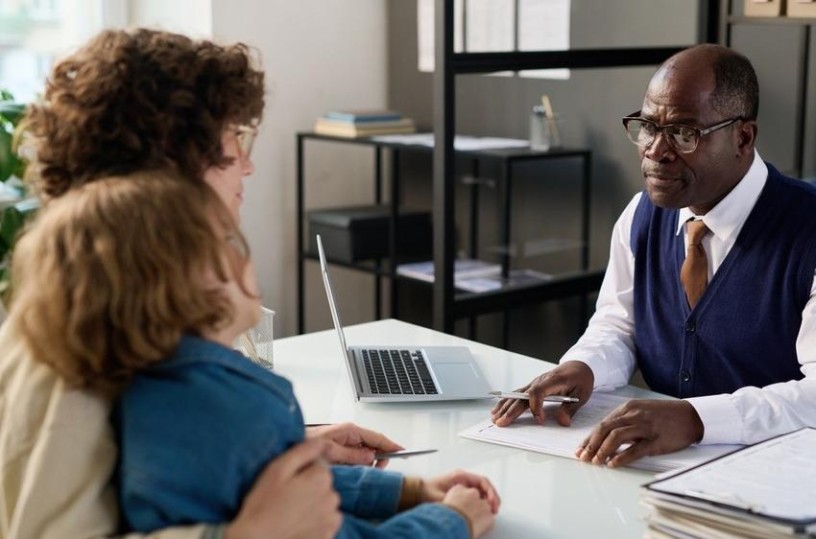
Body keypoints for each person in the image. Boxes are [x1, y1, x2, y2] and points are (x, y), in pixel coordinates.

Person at [0, 28, 399, 539]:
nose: (248, 166)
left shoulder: (129, 296)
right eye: (235, 142)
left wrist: (279, 445)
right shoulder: (70, 345)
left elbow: (142, 460)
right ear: (174, 159)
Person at [8, 172, 498, 539]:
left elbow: (273, 480)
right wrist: (451, 519)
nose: (244, 255)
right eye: (222, 244)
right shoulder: (222, 408)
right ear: (182, 282)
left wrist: (408, 492)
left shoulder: (159, 394)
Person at [491, 43, 816, 467]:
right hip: (662, 466)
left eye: (684, 133)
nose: (656, 150)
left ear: (743, 137)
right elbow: (619, 325)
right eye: (648, 126)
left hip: (779, 474)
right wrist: (584, 366)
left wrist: (698, 420)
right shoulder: (640, 216)